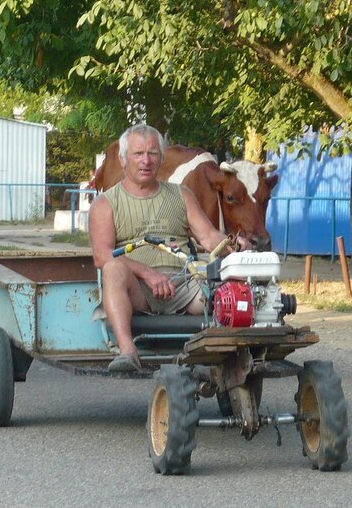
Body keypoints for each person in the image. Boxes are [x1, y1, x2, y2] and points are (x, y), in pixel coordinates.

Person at [89, 124, 251, 372]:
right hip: (139, 291)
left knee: (232, 282)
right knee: (112, 269)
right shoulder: (105, 203)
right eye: (138, 154)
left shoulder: (181, 194)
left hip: (185, 283)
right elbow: (102, 256)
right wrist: (147, 273)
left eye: (153, 154)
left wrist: (233, 247)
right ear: (123, 159)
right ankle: (127, 352)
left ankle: (236, 356)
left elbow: (208, 237)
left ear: (161, 158)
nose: (146, 161)